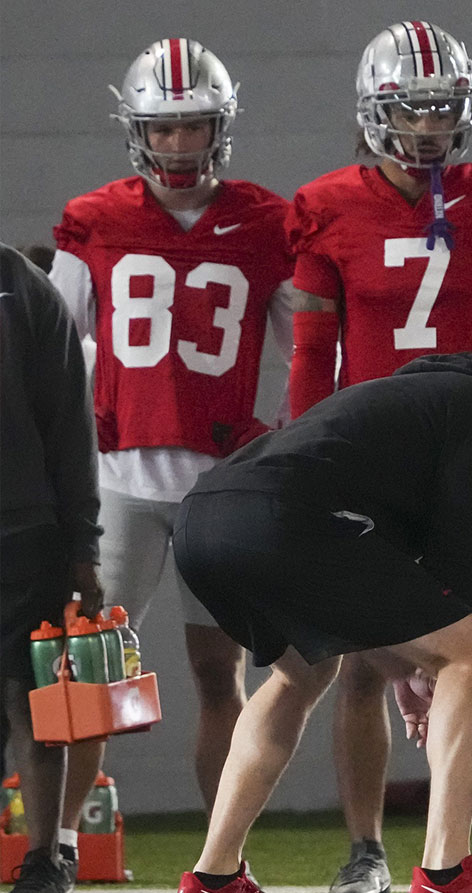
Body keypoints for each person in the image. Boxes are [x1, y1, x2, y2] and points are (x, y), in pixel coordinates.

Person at [170, 315, 472, 893]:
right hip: (285, 521)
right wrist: (437, 666)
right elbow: (461, 565)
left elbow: (390, 573)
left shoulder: (413, 393)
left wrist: (412, 665)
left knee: (302, 673)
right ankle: (446, 874)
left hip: (204, 523)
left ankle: (213, 878)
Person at [286, 21, 472, 893]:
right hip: (371, 458)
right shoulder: (327, 204)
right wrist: (301, 457)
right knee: (364, 660)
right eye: (413, 107)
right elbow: (310, 356)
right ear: (374, 109)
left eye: (444, 108)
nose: (431, 126)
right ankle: (366, 851)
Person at [47, 38, 293, 836]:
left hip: (219, 485)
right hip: (117, 478)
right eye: (164, 129)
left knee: (217, 672)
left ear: (220, 128)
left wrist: (286, 444)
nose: (179, 145)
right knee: (86, 674)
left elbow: (314, 351)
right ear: (136, 131)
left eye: (193, 127)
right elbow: (53, 358)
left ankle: (224, 853)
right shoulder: (95, 222)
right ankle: (56, 841)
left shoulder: (267, 223)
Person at [0, 243, 104, 893]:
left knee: (31, 698)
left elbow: (70, 425)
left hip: (23, 528)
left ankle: (46, 863)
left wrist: (84, 550)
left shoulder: (22, 287)